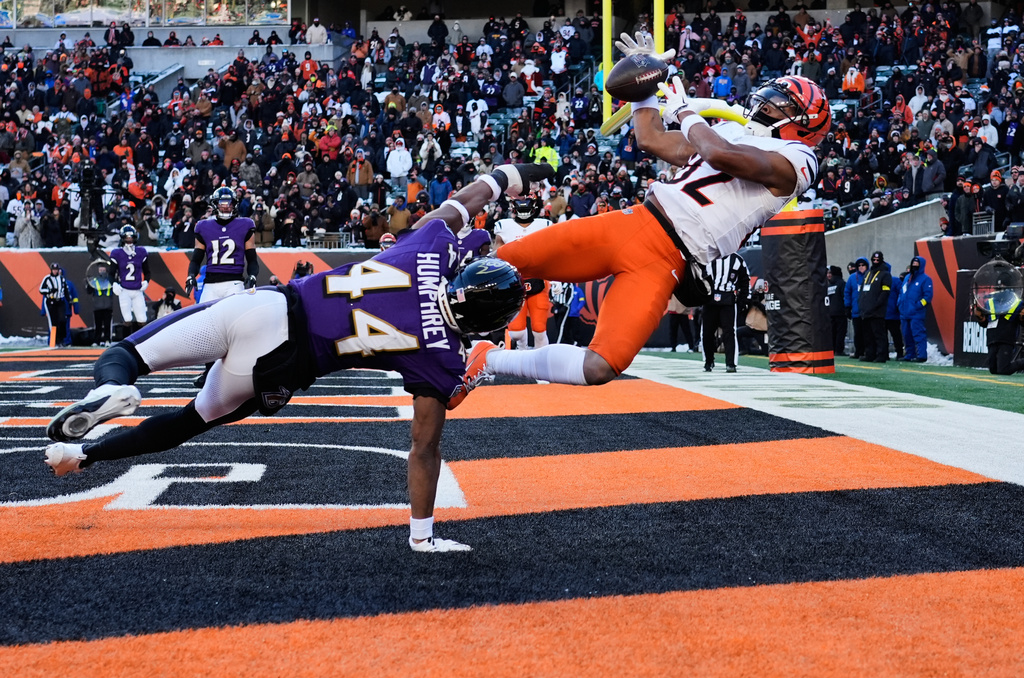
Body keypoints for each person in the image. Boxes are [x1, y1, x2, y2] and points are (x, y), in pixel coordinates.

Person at [43, 163, 552, 552]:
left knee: (124, 354)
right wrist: (422, 534)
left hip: (265, 307)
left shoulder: (427, 247)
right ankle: (86, 456)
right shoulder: (439, 357)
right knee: (188, 422)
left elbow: (468, 198)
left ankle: (113, 391)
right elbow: (423, 449)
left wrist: (514, 174)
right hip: (279, 367)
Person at [463, 33, 827, 388]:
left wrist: (685, 110)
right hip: (638, 223)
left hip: (670, 260)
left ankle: (489, 359)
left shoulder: (800, 159)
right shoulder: (733, 131)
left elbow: (721, 156)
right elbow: (650, 138)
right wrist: (645, 85)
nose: (768, 104)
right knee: (504, 263)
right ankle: (423, 310)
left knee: (601, 365)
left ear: (807, 122)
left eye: (784, 103)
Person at [186, 187, 259, 388]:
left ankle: (239, 370)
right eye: (222, 203)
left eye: (229, 203)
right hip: (210, 283)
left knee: (234, 329)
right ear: (215, 205)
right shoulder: (203, 227)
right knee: (209, 330)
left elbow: (252, 258)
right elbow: (197, 257)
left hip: (234, 282)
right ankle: (210, 372)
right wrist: (191, 275)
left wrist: (252, 275)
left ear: (234, 205)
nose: (226, 207)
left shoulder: (245, 225)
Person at [493, 195, 554, 350]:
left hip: (538, 279)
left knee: (539, 329)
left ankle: (541, 364)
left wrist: (556, 279)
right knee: (516, 333)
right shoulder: (504, 226)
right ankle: (523, 349)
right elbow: (496, 254)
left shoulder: (545, 225)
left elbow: (555, 252)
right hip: (514, 281)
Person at [110, 226, 151, 334]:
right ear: (122, 237)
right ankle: (127, 344)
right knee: (127, 319)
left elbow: (147, 271)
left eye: (131, 237)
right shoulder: (117, 253)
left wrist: (146, 281)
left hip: (137, 290)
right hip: (124, 290)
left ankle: (142, 343)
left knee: (142, 319)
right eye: (127, 237)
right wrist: (114, 283)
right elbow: (111, 273)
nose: (129, 239)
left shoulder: (141, 252)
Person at [858, 251, 893, 362]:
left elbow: (885, 292)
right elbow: (862, 289)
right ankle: (870, 354)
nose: (875, 261)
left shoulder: (885, 274)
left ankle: (881, 355)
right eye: (874, 259)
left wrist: (877, 304)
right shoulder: (868, 273)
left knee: (879, 334)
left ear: (881, 260)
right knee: (867, 335)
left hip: (877, 311)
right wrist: (861, 304)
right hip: (865, 310)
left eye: (878, 260)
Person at [898, 256, 932, 362]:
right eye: (913, 264)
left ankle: (921, 355)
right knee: (906, 335)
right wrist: (899, 303)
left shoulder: (926, 279)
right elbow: (901, 292)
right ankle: (909, 354)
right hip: (904, 312)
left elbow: (928, 297)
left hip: (916, 313)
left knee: (918, 334)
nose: (914, 266)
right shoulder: (907, 278)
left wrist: (918, 305)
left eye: (917, 264)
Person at [40, 262, 72, 347]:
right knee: (54, 322)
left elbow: (66, 290)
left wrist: (69, 300)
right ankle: (54, 341)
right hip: (51, 302)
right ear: (51, 270)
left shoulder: (62, 279)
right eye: (53, 270)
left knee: (62, 320)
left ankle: (61, 339)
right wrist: (50, 291)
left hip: (60, 301)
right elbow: (41, 290)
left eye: (56, 270)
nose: (55, 271)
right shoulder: (47, 278)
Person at [86, 262, 115, 346]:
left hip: (108, 306)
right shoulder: (94, 281)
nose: (102, 271)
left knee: (107, 325)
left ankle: (107, 340)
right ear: (98, 271)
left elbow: (116, 290)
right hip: (97, 306)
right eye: (100, 270)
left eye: (103, 269)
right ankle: (96, 341)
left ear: (106, 270)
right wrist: (87, 284)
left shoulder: (110, 280)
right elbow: (89, 291)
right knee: (98, 325)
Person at [844, 256, 868, 358]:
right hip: (856, 310)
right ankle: (859, 352)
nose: (861, 267)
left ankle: (868, 352)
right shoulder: (852, 278)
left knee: (867, 333)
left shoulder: (870, 276)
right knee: (857, 333)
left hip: (867, 311)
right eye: (859, 265)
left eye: (863, 265)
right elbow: (847, 292)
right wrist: (847, 307)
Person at [826, 265, 847, 356]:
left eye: (830, 273)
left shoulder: (829, 285)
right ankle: (839, 350)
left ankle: (833, 349)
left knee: (833, 332)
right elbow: (844, 297)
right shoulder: (842, 283)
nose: (828, 275)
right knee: (840, 333)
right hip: (840, 312)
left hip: (831, 312)